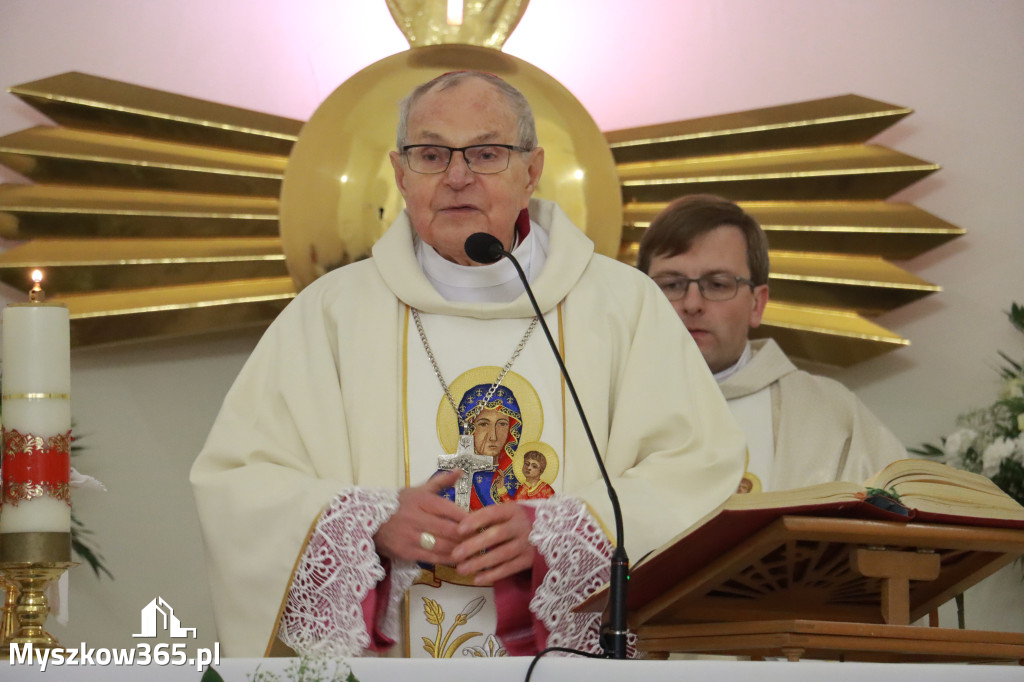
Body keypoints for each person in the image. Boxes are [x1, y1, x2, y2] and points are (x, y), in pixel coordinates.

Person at [191, 73, 745, 659]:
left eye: (486, 153)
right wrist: (368, 520)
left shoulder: (622, 306)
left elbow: (699, 471)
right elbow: (237, 484)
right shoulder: (330, 314)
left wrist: (560, 532)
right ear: (401, 175)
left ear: (531, 171)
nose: (457, 177)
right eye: (431, 155)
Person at [637, 194, 907, 493]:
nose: (692, 303)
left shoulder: (831, 415)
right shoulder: (597, 406)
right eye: (671, 285)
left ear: (756, 304)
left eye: (718, 284)